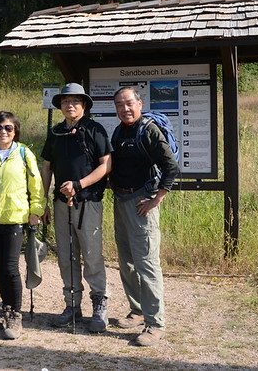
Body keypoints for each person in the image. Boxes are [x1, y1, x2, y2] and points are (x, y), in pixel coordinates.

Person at [109, 86, 179, 347]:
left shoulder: (148, 129)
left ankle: (155, 323)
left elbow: (170, 166)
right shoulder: (120, 130)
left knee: (147, 264)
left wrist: (156, 199)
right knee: (126, 261)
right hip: (121, 200)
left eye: (128, 103)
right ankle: (138, 310)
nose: (124, 109)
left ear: (139, 103)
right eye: (119, 105)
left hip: (141, 205)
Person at [40, 83, 112, 333]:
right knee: (66, 256)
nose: (70, 105)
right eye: (65, 101)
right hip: (61, 204)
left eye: (75, 101)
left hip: (88, 202)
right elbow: (47, 167)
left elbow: (105, 166)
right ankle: (72, 306)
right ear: (60, 105)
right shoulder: (56, 132)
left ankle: (99, 306)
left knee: (91, 255)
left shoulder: (95, 130)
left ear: (84, 105)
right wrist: (43, 202)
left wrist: (79, 184)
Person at [0, 111, 45, 340]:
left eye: (8, 128)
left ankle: (15, 313)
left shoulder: (24, 153)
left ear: (16, 131)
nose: (3, 132)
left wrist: (36, 211)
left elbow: (37, 185)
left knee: (10, 267)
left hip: (15, 219)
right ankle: (5, 307)